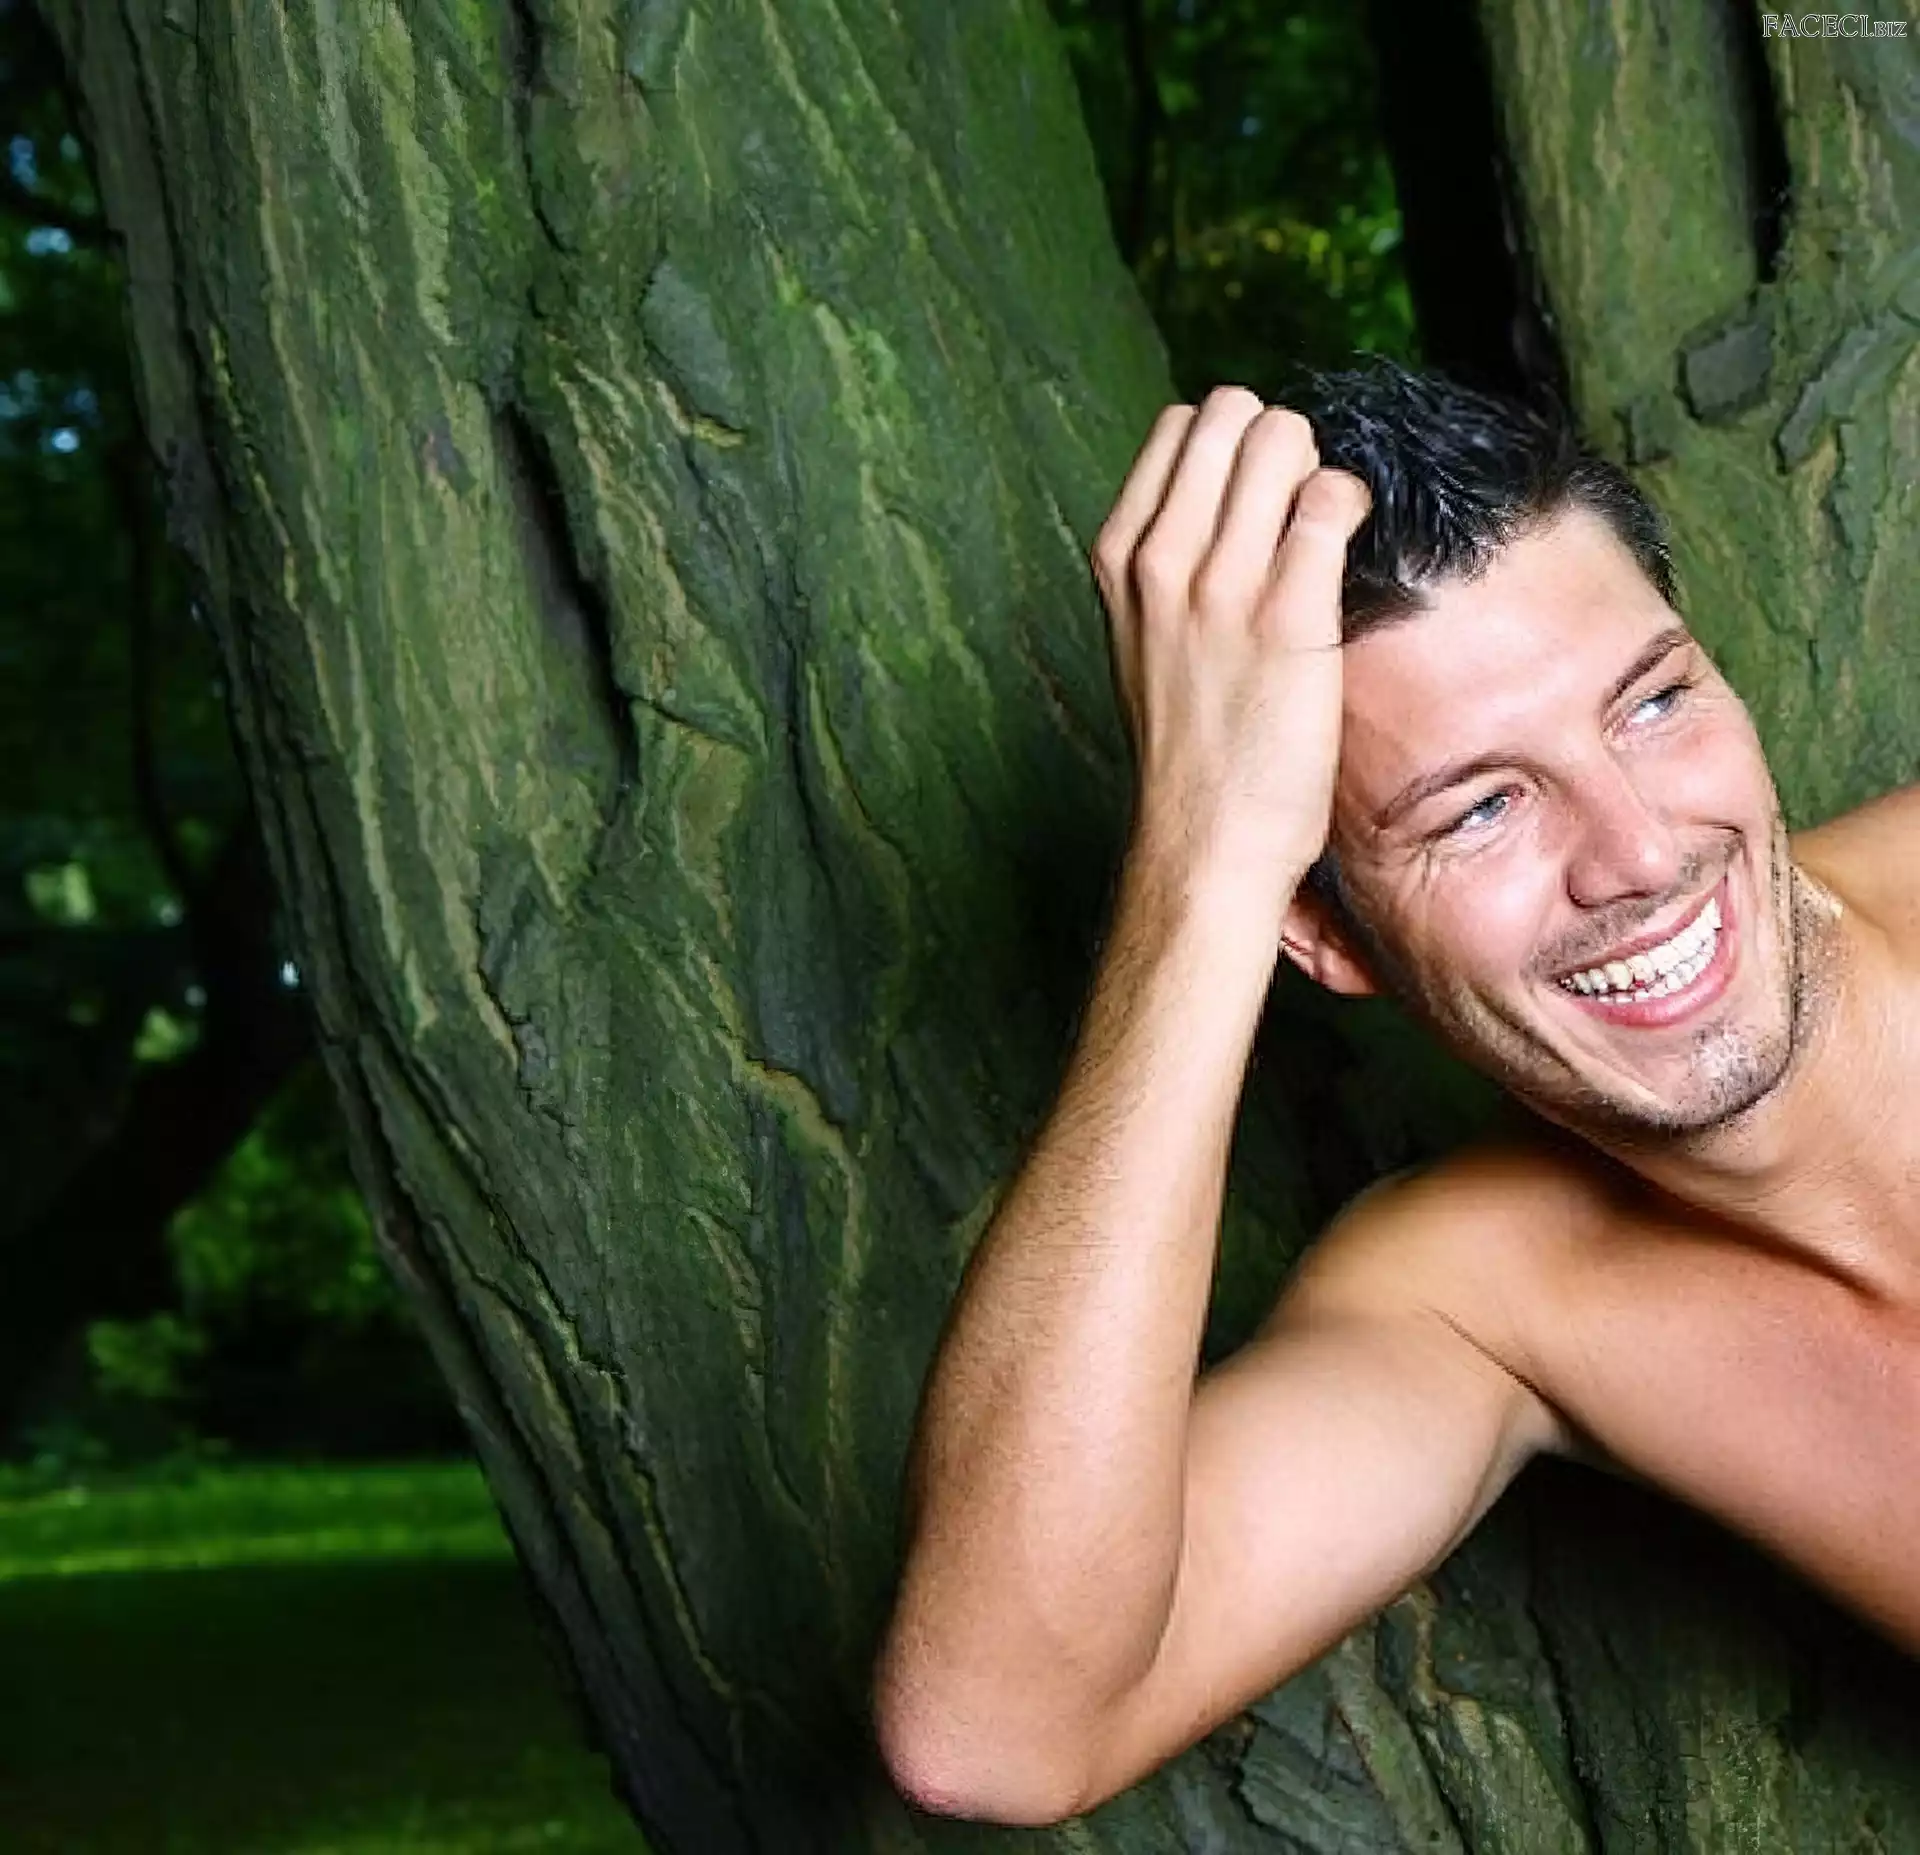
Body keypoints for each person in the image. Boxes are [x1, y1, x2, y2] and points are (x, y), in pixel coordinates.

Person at [870, 361, 1920, 1827]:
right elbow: (992, 1728)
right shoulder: (1481, 1300)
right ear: (1327, 933)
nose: (1637, 853)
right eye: (1481, 807)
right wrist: (1204, 872)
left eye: (1655, 702)